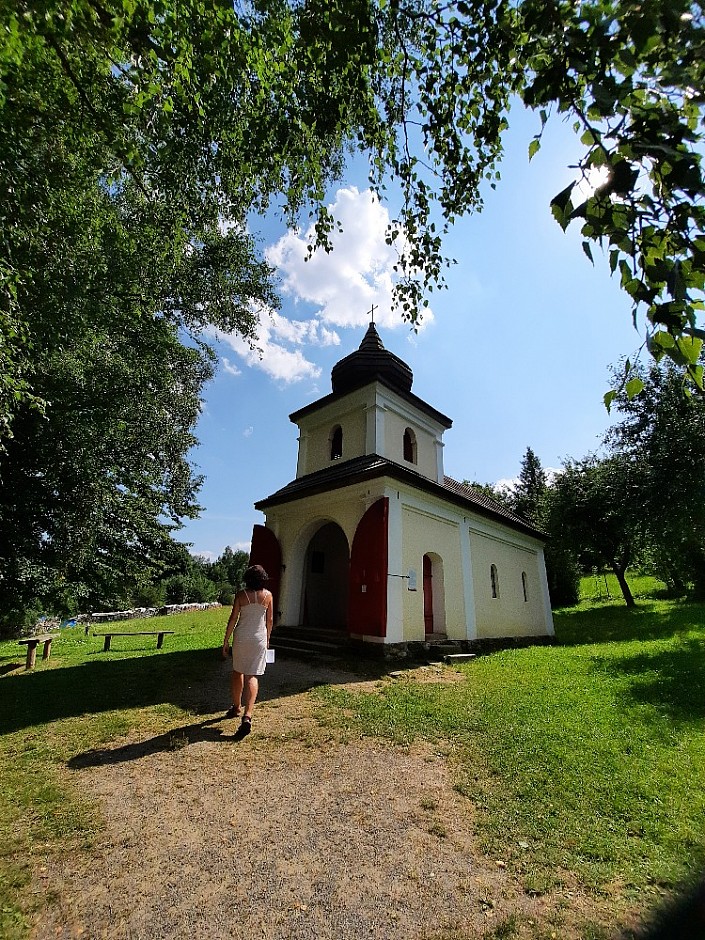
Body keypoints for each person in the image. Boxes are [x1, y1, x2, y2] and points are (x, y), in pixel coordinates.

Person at [222, 564, 273, 739]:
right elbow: (270, 620)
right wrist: (267, 639)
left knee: (238, 672)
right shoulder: (268, 596)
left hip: (242, 636)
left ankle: (236, 707)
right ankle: (247, 715)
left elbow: (233, 618)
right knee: (253, 675)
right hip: (259, 638)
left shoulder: (241, 595)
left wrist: (225, 640)